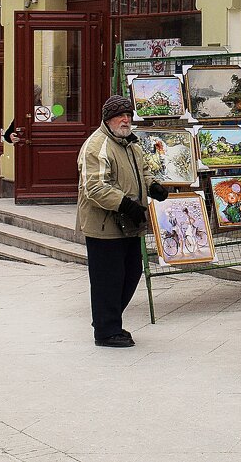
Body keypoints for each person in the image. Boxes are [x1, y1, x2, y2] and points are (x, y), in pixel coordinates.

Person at [76, 95, 168, 348]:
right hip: (104, 224)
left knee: (131, 273)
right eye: (120, 115)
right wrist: (126, 204)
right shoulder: (97, 146)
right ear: (108, 118)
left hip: (130, 222)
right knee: (108, 278)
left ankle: (110, 322)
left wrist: (153, 187)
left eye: (128, 115)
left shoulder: (130, 144)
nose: (126, 120)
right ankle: (106, 331)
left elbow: (142, 172)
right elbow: (94, 187)